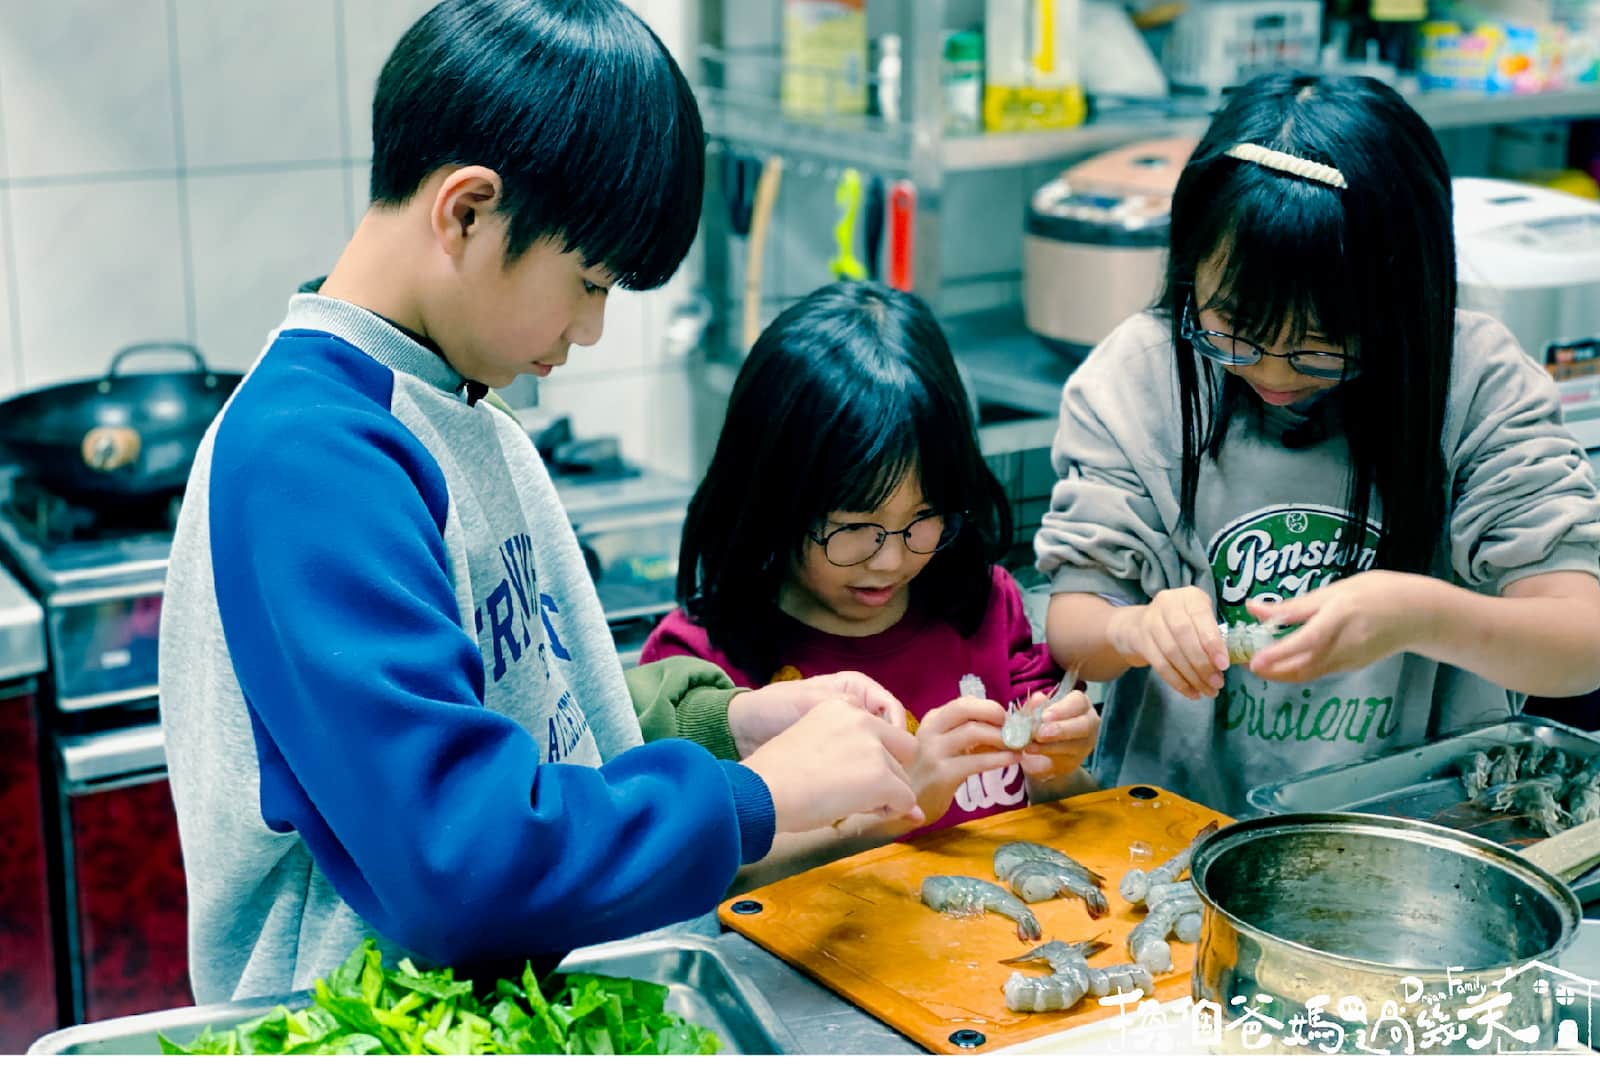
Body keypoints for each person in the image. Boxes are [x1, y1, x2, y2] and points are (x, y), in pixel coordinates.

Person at [157, 0, 921, 1005]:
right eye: (590, 282)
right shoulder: (315, 455)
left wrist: (729, 727)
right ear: (467, 210)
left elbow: (535, 728)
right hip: (385, 1029)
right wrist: (755, 799)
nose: (591, 330)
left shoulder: (459, 411)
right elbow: (460, 861)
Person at [1037, 71, 1600, 815]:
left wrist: (1418, 614)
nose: (1271, 371)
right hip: (1175, 828)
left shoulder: (1476, 382)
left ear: (1407, 305)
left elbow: (1580, 640)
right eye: (1234, 326)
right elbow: (1074, 625)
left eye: (1321, 345)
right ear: (1188, 269)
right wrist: (1134, 626)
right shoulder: (1138, 380)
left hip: (1416, 832)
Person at [642, 282, 1099, 878]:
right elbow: (706, 882)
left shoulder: (983, 606)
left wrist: (1063, 761)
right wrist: (897, 810)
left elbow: (1066, 813)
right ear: (771, 500)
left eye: (922, 519)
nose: (888, 561)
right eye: (855, 527)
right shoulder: (701, 671)